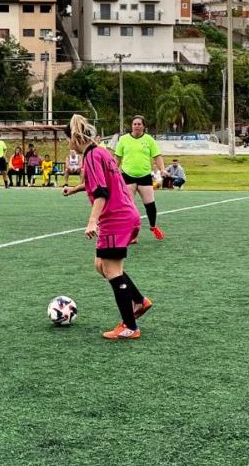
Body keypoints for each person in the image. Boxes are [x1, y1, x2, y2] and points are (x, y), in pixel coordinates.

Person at [62, 114, 152, 340]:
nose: (69, 144)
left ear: (75, 138)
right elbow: (102, 182)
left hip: (115, 218)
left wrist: (92, 221)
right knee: (101, 265)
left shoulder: (91, 156)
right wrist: (75, 189)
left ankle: (130, 326)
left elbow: (102, 191)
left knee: (112, 271)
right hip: (124, 214)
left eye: (68, 140)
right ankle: (139, 301)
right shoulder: (101, 151)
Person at [114, 115, 167, 240]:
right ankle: (132, 234)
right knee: (129, 206)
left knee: (150, 204)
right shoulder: (123, 139)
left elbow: (157, 156)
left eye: (139, 124)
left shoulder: (149, 140)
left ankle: (153, 226)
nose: (136, 126)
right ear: (131, 126)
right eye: (134, 124)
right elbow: (117, 158)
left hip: (144, 176)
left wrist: (162, 169)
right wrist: (114, 171)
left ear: (144, 126)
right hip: (127, 176)